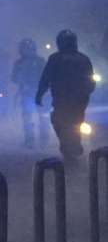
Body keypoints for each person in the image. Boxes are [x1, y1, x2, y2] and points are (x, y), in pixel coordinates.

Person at [36, 29, 96, 163]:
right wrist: (86, 93)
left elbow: (46, 78)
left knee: (61, 122)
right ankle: (73, 146)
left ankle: (69, 147)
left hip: (62, 99)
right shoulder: (83, 59)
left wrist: (40, 94)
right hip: (79, 100)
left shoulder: (55, 58)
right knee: (74, 123)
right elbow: (91, 81)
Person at [11, 38, 48, 148]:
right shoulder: (20, 63)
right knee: (28, 117)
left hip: (38, 93)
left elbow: (47, 75)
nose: (26, 50)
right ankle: (31, 139)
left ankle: (43, 139)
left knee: (42, 116)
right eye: (25, 48)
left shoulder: (39, 61)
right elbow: (14, 78)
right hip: (28, 93)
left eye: (28, 48)